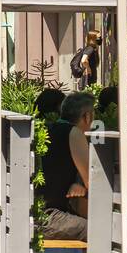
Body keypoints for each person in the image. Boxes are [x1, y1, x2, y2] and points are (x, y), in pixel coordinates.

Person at [39, 91, 95, 242]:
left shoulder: (49, 128)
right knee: (99, 230)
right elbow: (92, 181)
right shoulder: (75, 133)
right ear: (87, 116)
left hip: (40, 213)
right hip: (50, 217)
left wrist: (78, 183)